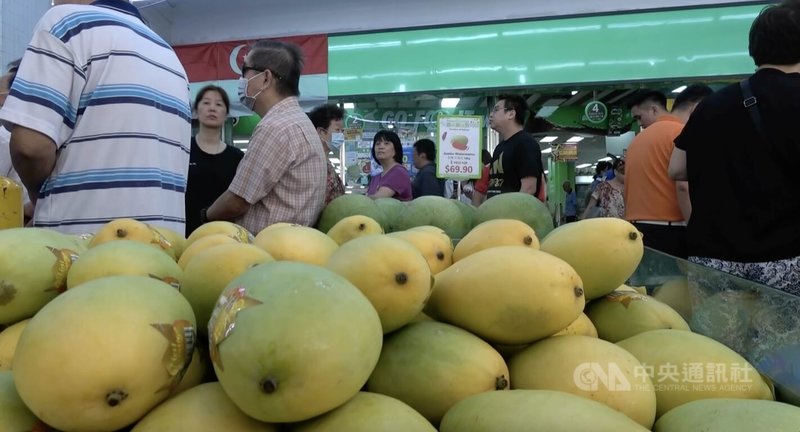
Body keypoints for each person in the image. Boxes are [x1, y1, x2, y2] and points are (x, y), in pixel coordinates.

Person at [0, 0, 190, 235]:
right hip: (160, 252)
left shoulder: (66, 23)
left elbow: (30, 147)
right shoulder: (168, 54)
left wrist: (38, 193)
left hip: (84, 253)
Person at [669, 0, 800, 297]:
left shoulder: (712, 104)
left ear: (755, 48)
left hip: (714, 262)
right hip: (787, 261)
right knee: (785, 343)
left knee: (718, 344)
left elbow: (675, 169)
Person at [203, 40, 327, 233]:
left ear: (266, 78)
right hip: (293, 245)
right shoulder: (300, 121)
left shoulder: (274, 127)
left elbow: (238, 200)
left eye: (245, 71)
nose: (241, 80)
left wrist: (204, 216)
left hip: (266, 251)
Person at [624, 86, 711, 258]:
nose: (639, 123)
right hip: (671, 231)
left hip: (637, 231)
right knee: (675, 285)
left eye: (639, 117)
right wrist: (697, 232)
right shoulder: (681, 134)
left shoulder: (636, 142)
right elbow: (683, 187)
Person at [184, 85, 244, 236]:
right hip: (184, 233)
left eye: (218, 104)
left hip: (224, 236)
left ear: (226, 114)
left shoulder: (237, 157)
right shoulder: (183, 149)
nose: (212, 108)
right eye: (206, 103)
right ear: (196, 111)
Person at [486, 94, 545, 200]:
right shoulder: (499, 148)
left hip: (513, 215)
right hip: (496, 213)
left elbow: (529, 188)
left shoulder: (526, 143)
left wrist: (510, 213)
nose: (490, 115)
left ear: (511, 114)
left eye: (496, 110)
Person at [308, 103, 345, 205]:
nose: (341, 135)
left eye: (342, 131)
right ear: (321, 132)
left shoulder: (326, 161)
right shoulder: (312, 163)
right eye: (337, 130)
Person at [366, 130, 411, 201]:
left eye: (386, 143)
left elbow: (378, 199)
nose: (380, 147)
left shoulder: (399, 172)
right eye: (377, 144)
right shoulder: (376, 177)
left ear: (396, 150)